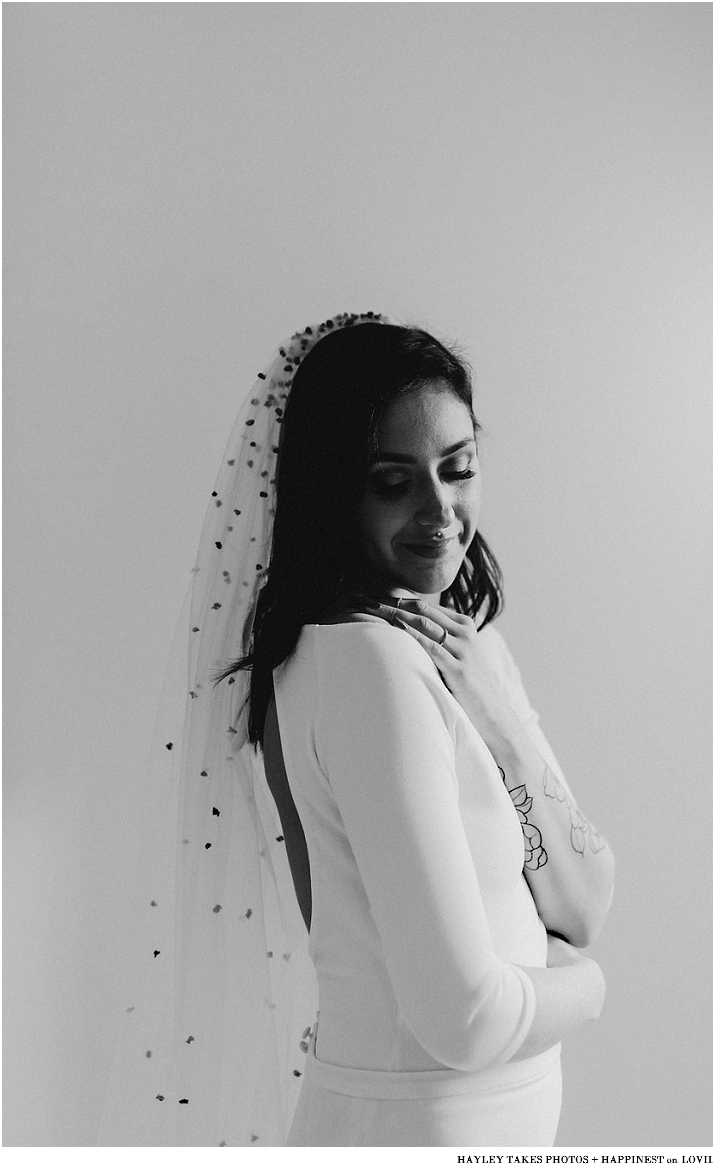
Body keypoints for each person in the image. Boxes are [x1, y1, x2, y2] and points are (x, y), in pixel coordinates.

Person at [100, 312, 613, 1148]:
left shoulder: (463, 647)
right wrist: (588, 988)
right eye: (393, 480)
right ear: (334, 488)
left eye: (459, 468)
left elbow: (587, 899)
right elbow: (465, 1017)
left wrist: (506, 722)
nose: (439, 510)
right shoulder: (365, 666)